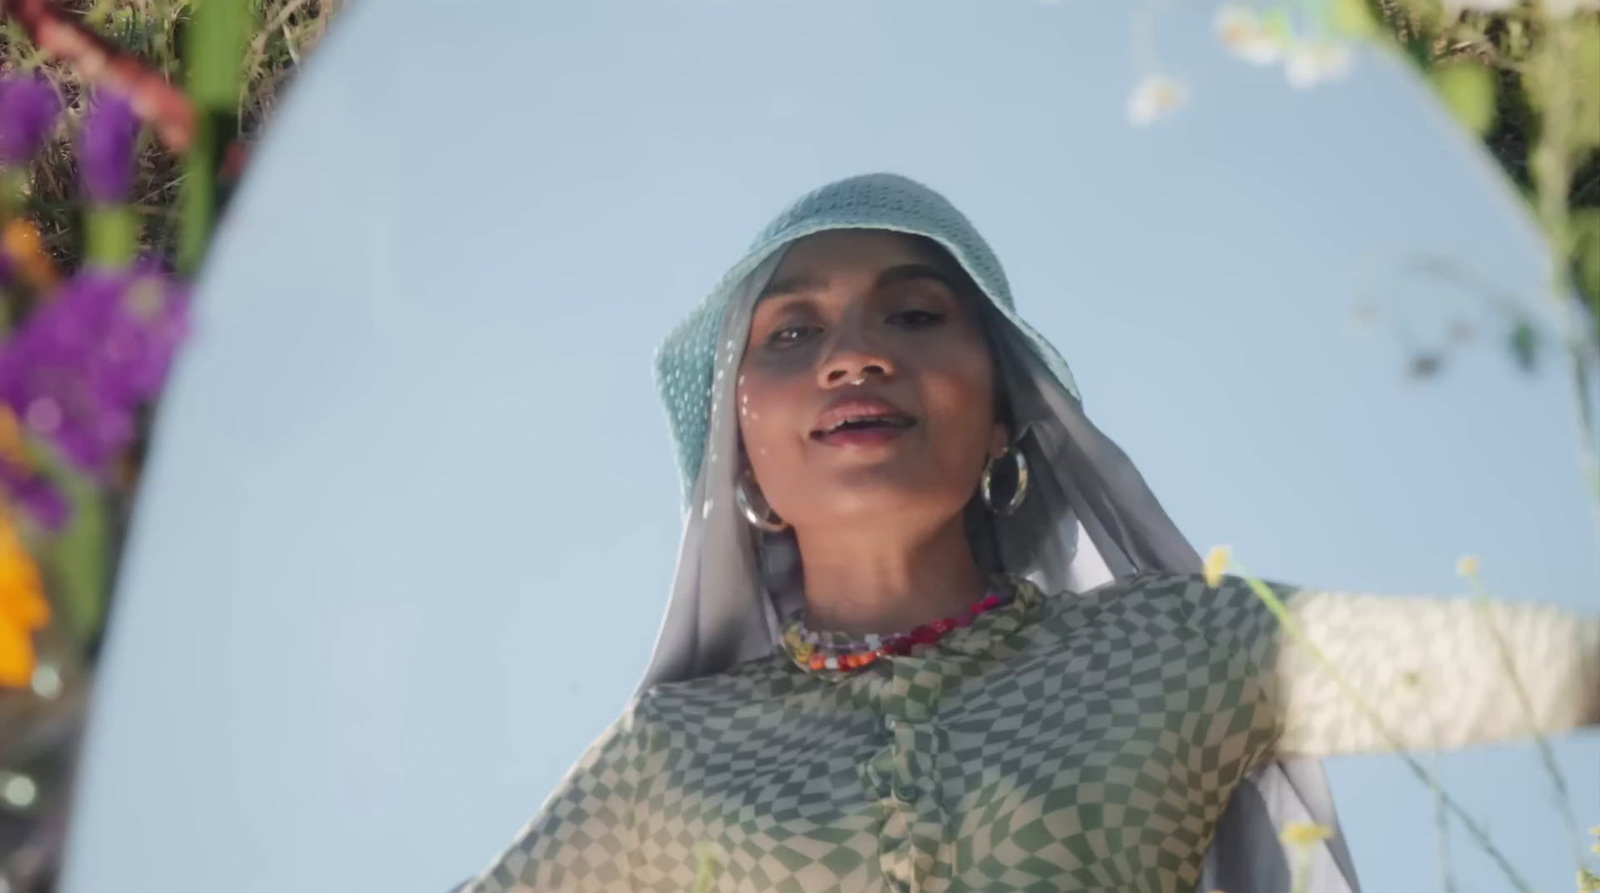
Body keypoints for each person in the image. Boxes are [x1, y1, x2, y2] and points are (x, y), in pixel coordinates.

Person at [456, 174, 1600, 893]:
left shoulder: (1179, 650)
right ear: (737, 454)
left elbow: (1526, 666)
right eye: (790, 335)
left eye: (913, 313)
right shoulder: (677, 750)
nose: (855, 353)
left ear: (1004, 410)